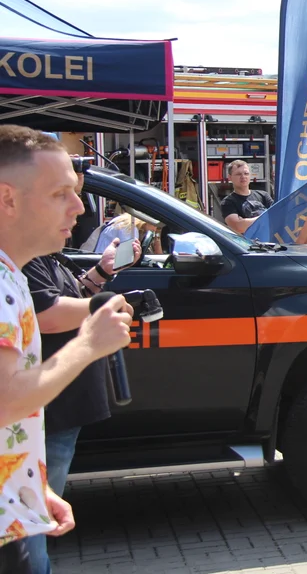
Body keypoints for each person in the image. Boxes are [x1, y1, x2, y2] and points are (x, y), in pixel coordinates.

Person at [0, 125, 133, 569]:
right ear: (8, 199)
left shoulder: (12, 276)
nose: (78, 207)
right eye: (60, 194)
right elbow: (6, 401)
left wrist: (33, 485)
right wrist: (89, 345)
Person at [221, 160, 274, 235]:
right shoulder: (228, 202)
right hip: (246, 245)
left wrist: (246, 221)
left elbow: (276, 217)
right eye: (238, 174)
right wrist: (266, 217)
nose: (243, 177)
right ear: (230, 177)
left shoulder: (264, 195)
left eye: (246, 173)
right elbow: (238, 227)